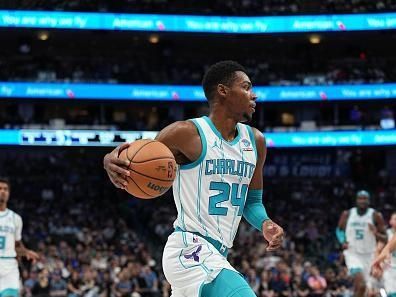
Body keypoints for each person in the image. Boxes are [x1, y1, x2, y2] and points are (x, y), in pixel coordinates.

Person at [104, 61, 285, 297]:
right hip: (189, 248)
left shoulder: (256, 142)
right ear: (223, 91)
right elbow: (137, 158)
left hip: (217, 254)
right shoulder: (185, 133)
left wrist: (265, 224)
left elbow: (251, 201)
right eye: (247, 87)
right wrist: (109, 159)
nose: (254, 94)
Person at [336, 190, 386, 297]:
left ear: (369, 201)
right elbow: (339, 230)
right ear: (356, 200)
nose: (362, 201)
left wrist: (375, 232)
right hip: (352, 253)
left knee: (364, 290)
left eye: (365, 199)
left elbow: (385, 238)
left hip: (370, 256)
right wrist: (342, 240)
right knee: (361, 284)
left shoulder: (376, 215)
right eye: (360, 198)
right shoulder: (347, 214)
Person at [0, 177, 40, 297]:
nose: (3, 191)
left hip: (9, 266)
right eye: (0, 188)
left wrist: (26, 252)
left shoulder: (16, 219)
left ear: (9, 193)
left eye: (6, 189)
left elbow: (16, 245)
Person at [371, 211, 396, 297]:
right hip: (390, 268)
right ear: (390, 221)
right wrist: (377, 264)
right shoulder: (386, 234)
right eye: (395, 219)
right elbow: (378, 250)